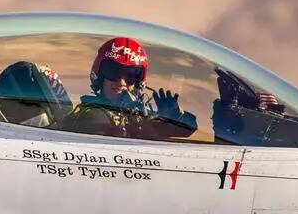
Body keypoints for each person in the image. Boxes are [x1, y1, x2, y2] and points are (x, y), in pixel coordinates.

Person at [60, 37, 197, 139]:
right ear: (100, 77)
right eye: (113, 71)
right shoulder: (94, 117)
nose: (121, 82)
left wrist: (174, 118)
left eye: (131, 75)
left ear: (138, 82)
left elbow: (189, 129)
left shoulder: (134, 115)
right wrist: (155, 127)